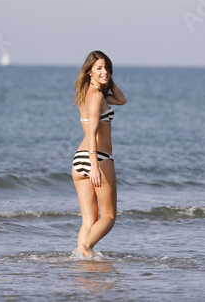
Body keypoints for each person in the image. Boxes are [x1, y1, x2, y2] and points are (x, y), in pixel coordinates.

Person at [71, 51, 127, 257]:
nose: (105, 72)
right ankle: (86, 249)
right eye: (99, 68)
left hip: (79, 160)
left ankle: (81, 261)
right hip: (98, 158)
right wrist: (94, 165)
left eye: (107, 68)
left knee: (88, 220)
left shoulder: (87, 93)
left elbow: (122, 99)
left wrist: (106, 80)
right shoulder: (95, 96)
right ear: (89, 71)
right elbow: (92, 132)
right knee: (109, 216)